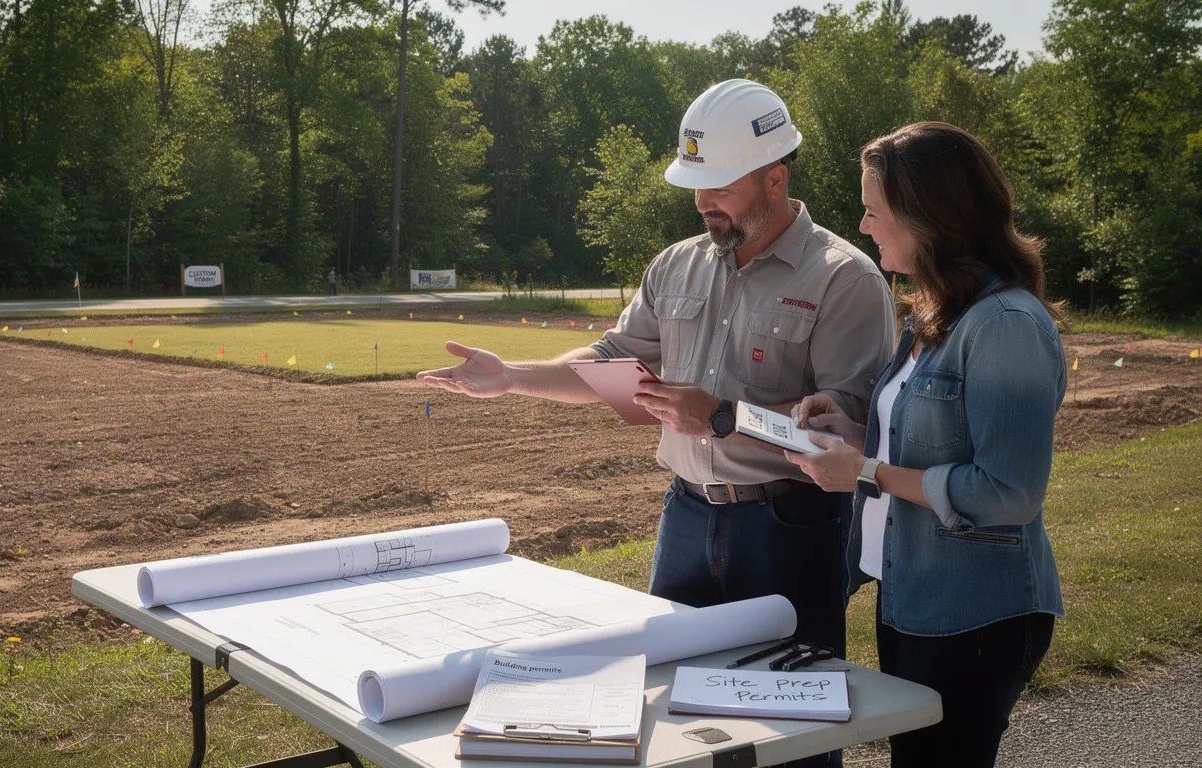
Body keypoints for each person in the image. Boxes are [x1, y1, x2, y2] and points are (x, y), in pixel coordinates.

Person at [418, 81, 894, 766]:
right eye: (695, 185)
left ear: (774, 177)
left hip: (792, 529)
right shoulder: (676, 264)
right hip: (687, 518)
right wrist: (513, 376)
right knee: (669, 716)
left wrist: (724, 418)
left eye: (719, 186)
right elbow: (610, 360)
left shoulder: (843, 278)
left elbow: (842, 439)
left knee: (796, 729)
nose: (703, 202)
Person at [784, 122, 1065, 768]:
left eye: (875, 210)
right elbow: (930, 442)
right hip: (910, 599)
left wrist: (867, 470)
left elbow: (1008, 492)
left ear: (926, 217)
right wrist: (852, 434)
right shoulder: (934, 315)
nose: (862, 224)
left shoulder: (1007, 325)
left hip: (976, 617)